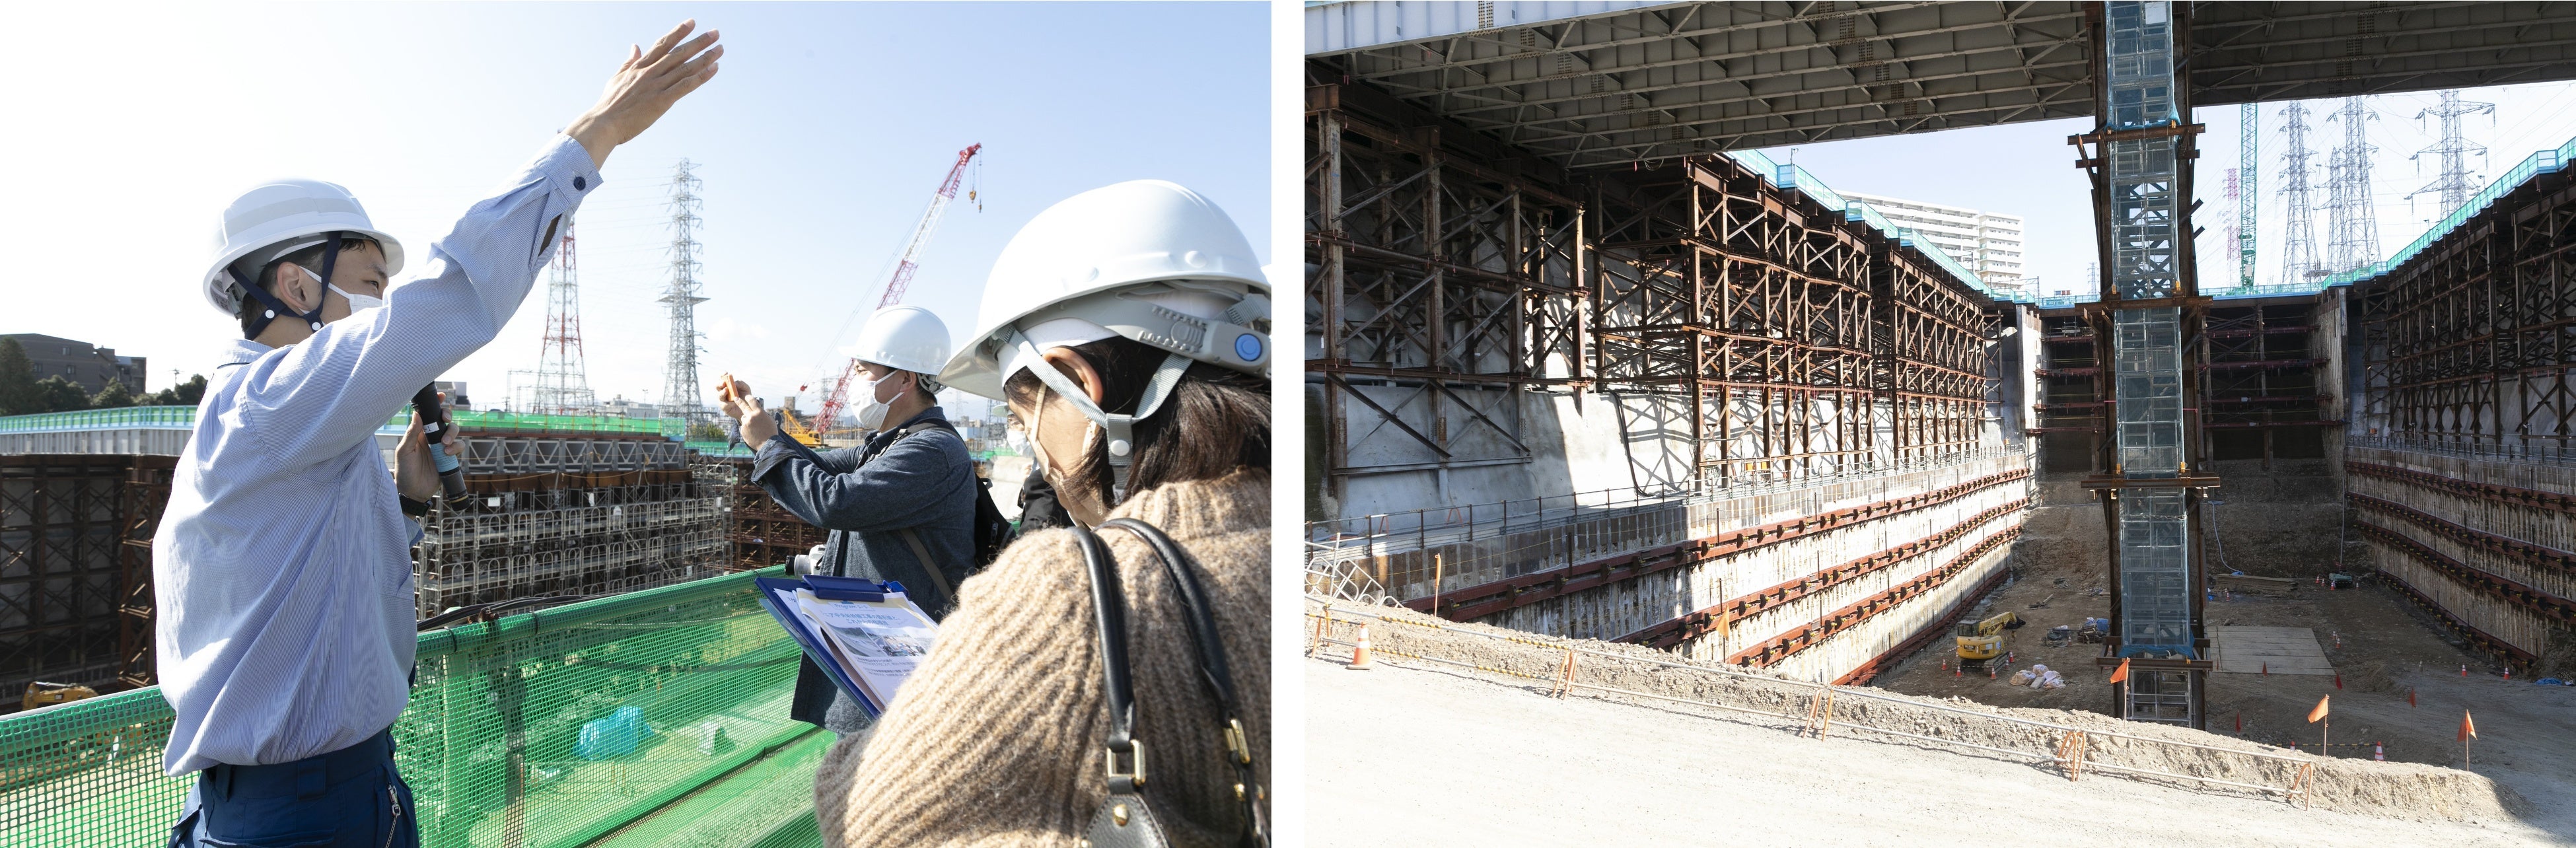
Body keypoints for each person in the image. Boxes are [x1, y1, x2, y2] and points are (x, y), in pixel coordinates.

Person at [154, 22, 720, 847]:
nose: (384, 307)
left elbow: (320, 592)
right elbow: (453, 295)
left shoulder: (297, 429)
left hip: (340, 788)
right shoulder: (268, 406)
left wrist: (405, 503)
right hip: (298, 813)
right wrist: (594, 136)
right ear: (291, 284)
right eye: (370, 285)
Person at [812, 180, 1270, 845]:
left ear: (1079, 385)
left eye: (1025, 416)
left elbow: (864, 813)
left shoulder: (1073, 595)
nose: (1036, 452)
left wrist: (949, 688)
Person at [717, 304, 980, 736]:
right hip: (878, 662)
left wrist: (767, 444)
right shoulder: (889, 446)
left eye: (862, 370)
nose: (854, 381)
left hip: (905, 675)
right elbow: (811, 464)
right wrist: (752, 421)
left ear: (905, 379)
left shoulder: (932, 452)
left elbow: (835, 501)